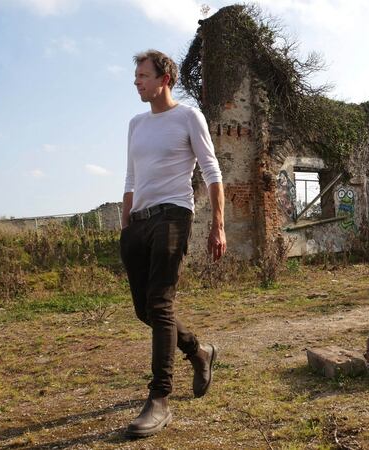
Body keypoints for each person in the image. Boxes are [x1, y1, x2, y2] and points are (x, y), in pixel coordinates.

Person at [120, 49, 226, 438]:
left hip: (174, 215)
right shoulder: (135, 124)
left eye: (143, 75)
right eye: (136, 76)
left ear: (165, 78)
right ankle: (200, 352)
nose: (137, 81)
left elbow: (212, 171)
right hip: (139, 222)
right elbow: (131, 177)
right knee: (146, 311)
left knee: (161, 304)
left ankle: (160, 399)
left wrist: (218, 225)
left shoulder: (187, 116)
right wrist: (125, 223)